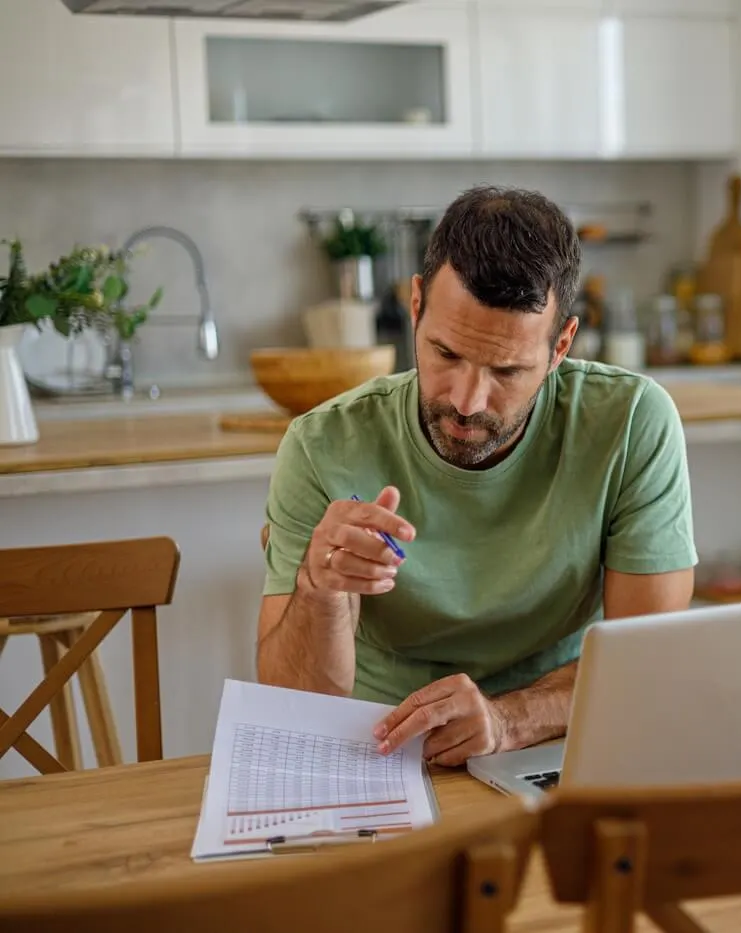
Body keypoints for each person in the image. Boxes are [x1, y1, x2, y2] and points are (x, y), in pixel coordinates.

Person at [256, 185, 697, 767]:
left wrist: (507, 719)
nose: (466, 402)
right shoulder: (321, 445)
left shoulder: (631, 422)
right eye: (445, 355)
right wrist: (320, 591)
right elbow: (293, 707)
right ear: (415, 305)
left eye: (507, 370)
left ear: (561, 344)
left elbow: (650, 659)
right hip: (380, 747)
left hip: (558, 737)